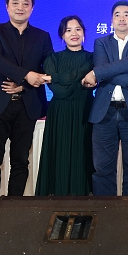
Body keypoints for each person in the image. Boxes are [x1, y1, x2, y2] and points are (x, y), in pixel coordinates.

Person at [0, 0, 53, 238]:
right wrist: (25, 75)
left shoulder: (42, 36)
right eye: (15, 3)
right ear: (7, 7)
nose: (20, 7)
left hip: (27, 105)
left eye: (25, 4)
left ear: (32, 8)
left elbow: (48, 67)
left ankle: (13, 214)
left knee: (20, 161)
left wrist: (24, 84)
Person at [83, 1, 128, 197]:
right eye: (117, 14)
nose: (121, 18)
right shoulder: (101, 42)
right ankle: (105, 211)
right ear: (111, 20)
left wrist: (97, 73)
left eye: (126, 14)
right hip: (104, 112)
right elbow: (104, 71)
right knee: (102, 168)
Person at [35, 16, 95, 196]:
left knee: (82, 153)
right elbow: (60, 91)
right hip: (59, 112)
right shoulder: (52, 58)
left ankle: (83, 196)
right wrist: (78, 80)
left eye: (78, 29)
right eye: (68, 30)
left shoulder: (93, 58)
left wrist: (55, 77)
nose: (73, 33)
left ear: (84, 33)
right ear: (62, 35)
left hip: (84, 110)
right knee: (59, 153)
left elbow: (60, 83)